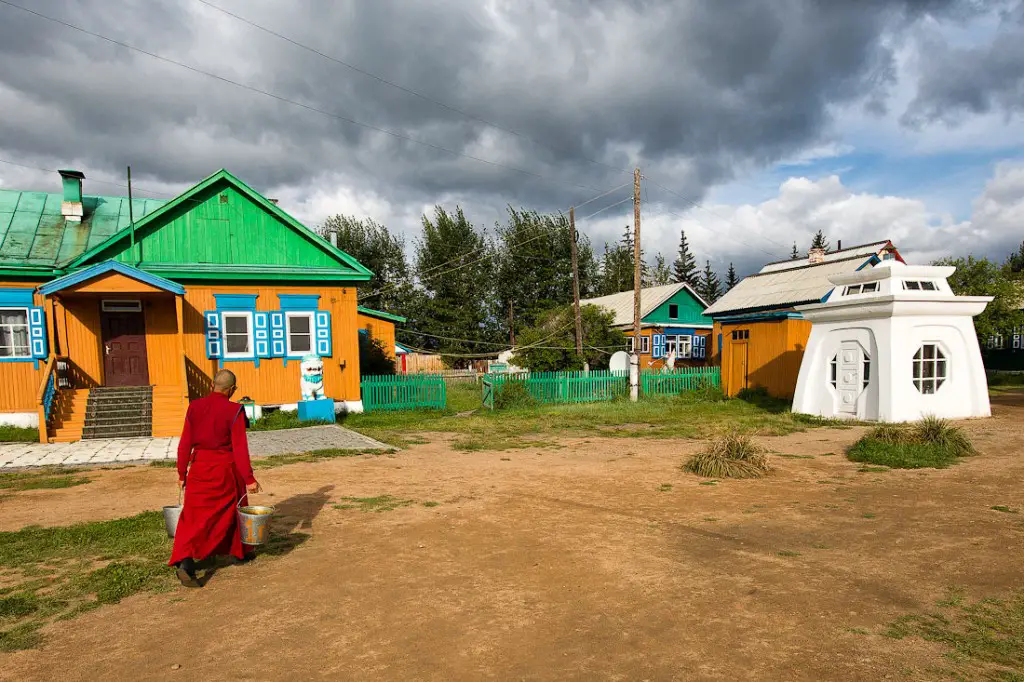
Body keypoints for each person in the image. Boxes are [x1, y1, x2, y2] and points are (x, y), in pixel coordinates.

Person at [168, 369, 262, 587]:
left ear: (212, 385)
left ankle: (185, 561)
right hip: (225, 470)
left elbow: (185, 444)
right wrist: (249, 478)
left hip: (199, 470)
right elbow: (239, 448)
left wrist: (182, 473)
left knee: (192, 517)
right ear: (232, 390)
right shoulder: (235, 410)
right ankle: (241, 552)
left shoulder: (194, 407)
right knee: (234, 507)